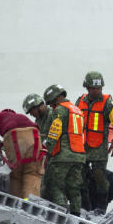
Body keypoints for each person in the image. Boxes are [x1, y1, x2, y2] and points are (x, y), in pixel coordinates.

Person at [0, 109, 44, 199]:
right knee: (33, 173)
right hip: (35, 136)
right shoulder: (22, 117)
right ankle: (31, 203)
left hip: (14, 136)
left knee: (16, 174)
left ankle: (18, 203)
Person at [76, 72, 113, 213]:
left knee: (100, 178)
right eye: (94, 88)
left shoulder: (108, 103)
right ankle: (85, 207)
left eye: (99, 88)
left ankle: (101, 207)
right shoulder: (80, 101)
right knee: (80, 179)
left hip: (99, 148)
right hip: (82, 147)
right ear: (87, 88)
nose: (97, 91)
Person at [40, 84, 85, 215]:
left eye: (51, 102)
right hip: (79, 155)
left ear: (56, 98)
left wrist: (46, 150)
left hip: (62, 155)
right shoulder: (77, 110)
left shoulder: (60, 110)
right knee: (74, 189)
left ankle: (61, 215)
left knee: (55, 186)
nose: (50, 106)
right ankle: (76, 217)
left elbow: (55, 132)